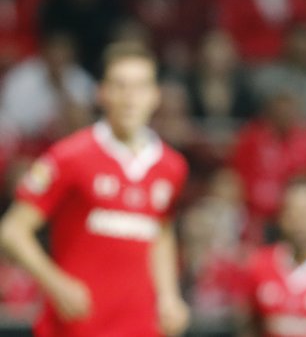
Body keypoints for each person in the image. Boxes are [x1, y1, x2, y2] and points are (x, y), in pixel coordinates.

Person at [0, 41, 190, 336]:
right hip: (75, 327)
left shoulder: (171, 166)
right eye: (120, 86)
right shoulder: (70, 157)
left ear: (155, 96)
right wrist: (54, 283)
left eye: (140, 87)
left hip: (140, 327)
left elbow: (160, 231)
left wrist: (169, 296)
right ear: (101, 92)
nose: (130, 98)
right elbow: (13, 231)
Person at [241, 179, 306, 337]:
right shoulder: (259, 265)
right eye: (293, 212)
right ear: (281, 216)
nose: (300, 222)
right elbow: (248, 325)